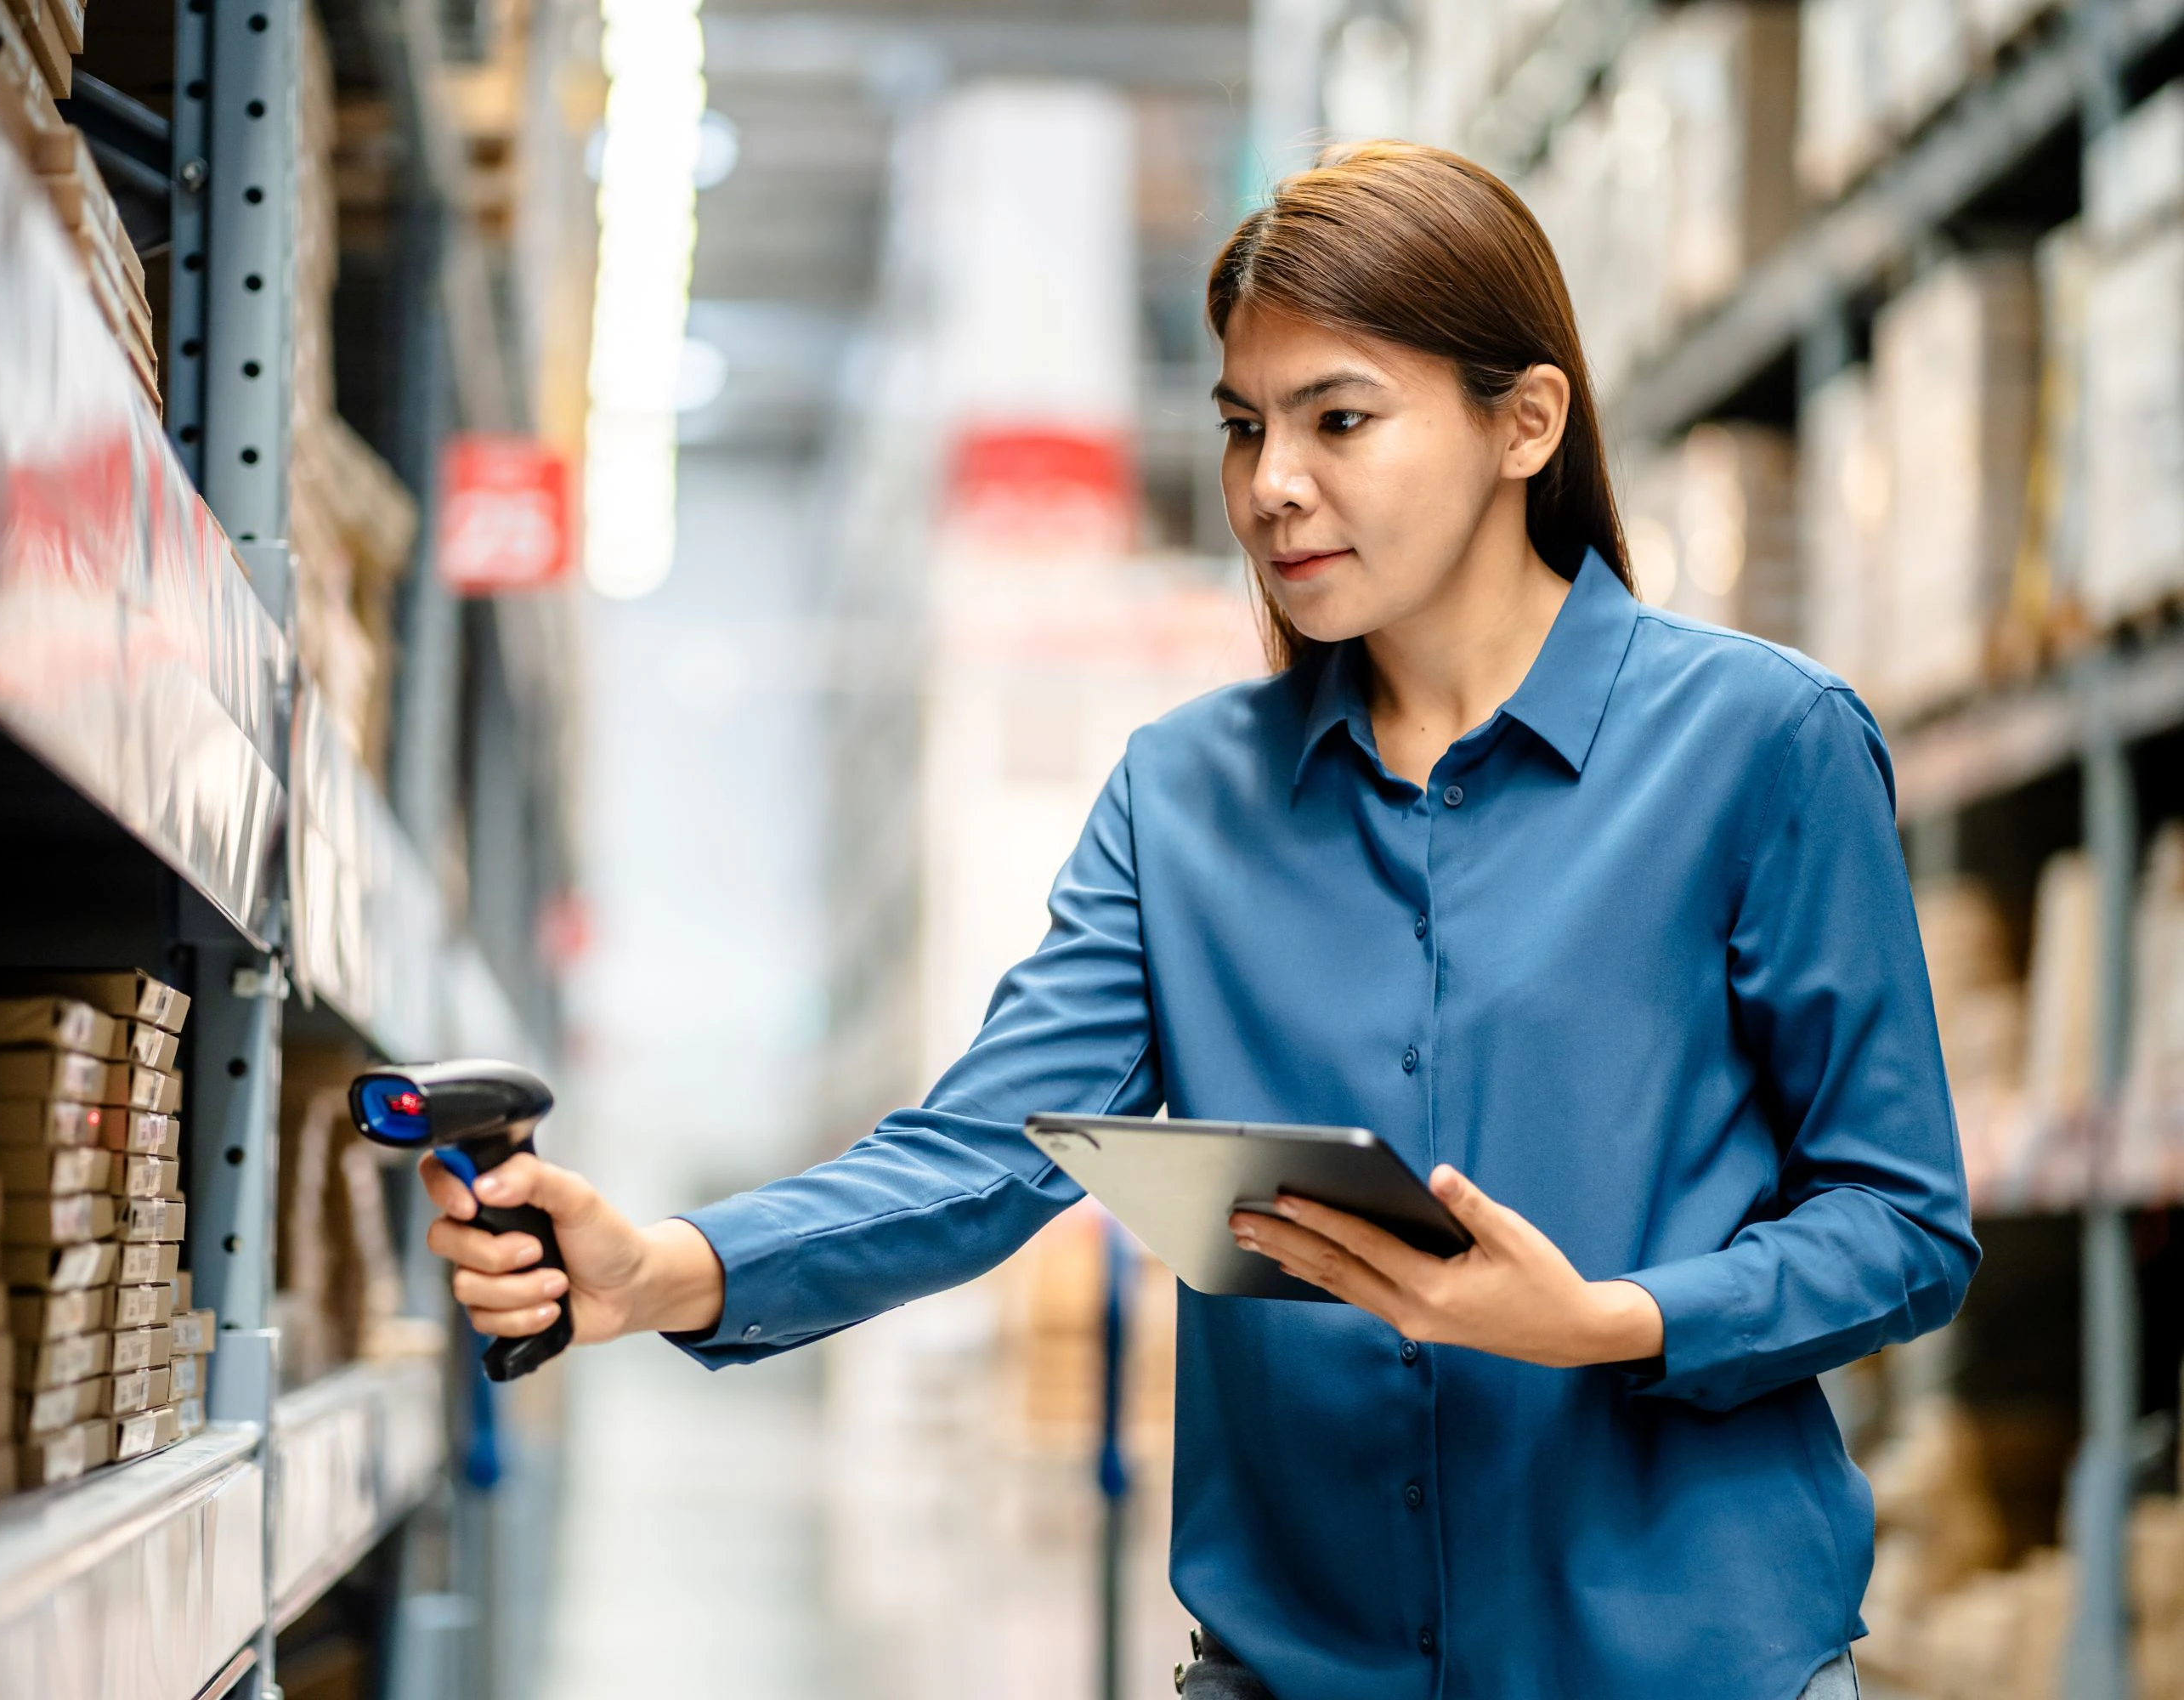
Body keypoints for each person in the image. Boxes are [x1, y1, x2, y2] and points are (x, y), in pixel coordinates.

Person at [419, 142, 1977, 1700]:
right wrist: (663, 1269)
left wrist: (1610, 1321)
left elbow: (1900, 1224)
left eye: (1339, 418)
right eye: (1243, 428)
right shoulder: (1184, 802)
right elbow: (983, 1156)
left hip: (1684, 1668)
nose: (1271, 485)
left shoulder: (1759, 748)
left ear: (1527, 423)